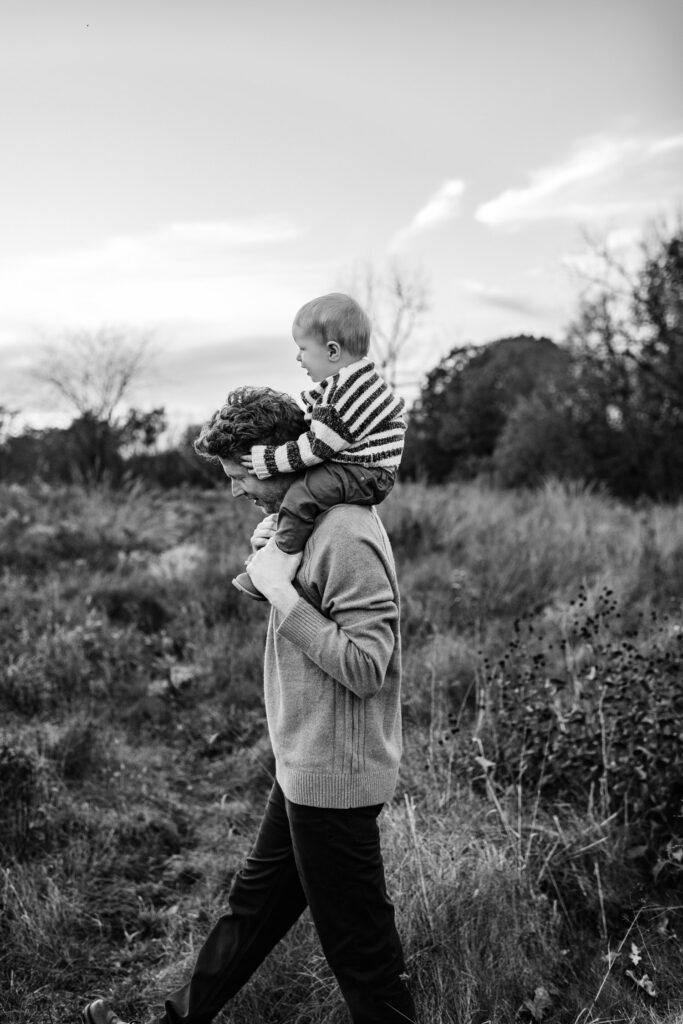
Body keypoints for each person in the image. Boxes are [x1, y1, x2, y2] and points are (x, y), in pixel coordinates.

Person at [82, 385, 417, 1024]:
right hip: (302, 766)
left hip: (335, 781)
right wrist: (274, 576)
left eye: (240, 474)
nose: (236, 489)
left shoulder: (346, 532)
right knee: (250, 914)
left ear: (281, 460)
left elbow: (368, 666)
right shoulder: (303, 527)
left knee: (364, 961)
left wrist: (281, 597)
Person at [231, 292, 406, 600]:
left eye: (302, 349)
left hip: (365, 471)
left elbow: (316, 447)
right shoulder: (348, 386)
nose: (298, 358)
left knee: (303, 494)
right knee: (302, 496)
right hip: (360, 468)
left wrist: (269, 460)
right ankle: (273, 555)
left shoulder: (350, 394)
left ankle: (276, 569)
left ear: (332, 351)